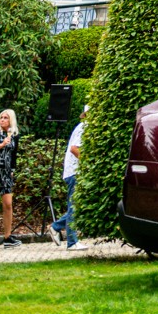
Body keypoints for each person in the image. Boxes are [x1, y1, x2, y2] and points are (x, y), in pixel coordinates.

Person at [51, 104, 87, 250]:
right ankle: (71, 241)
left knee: (77, 206)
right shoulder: (84, 127)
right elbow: (74, 149)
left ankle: (56, 226)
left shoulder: (84, 126)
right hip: (75, 171)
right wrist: (88, 163)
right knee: (74, 205)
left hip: (75, 171)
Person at [0, 108, 20, 245]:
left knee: (8, 205)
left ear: (11, 120)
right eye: (1, 117)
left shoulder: (14, 135)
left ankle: (7, 237)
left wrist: (12, 170)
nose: (2, 119)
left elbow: (14, 155)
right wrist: (1, 145)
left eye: (6, 117)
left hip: (6, 174)